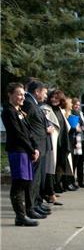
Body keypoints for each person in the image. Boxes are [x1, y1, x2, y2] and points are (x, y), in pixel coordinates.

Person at [2, 82, 41, 226]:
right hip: (18, 151)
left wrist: (35, 148)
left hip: (26, 151)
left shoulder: (19, 111)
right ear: (10, 95)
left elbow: (29, 132)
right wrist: (31, 150)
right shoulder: (8, 111)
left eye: (23, 94)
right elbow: (18, 134)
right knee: (19, 183)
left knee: (25, 182)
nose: (22, 97)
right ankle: (20, 216)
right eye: (19, 94)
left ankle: (23, 213)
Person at [21, 80, 53, 216]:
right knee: (33, 179)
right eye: (44, 93)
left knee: (39, 178)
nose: (45, 96)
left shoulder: (34, 103)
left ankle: (37, 203)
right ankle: (31, 206)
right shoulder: (28, 103)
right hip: (36, 146)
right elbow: (27, 127)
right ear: (37, 91)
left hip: (41, 145)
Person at [68, 98, 84, 188]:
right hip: (75, 139)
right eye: (75, 104)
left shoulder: (80, 113)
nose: (77, 106)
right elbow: (72, 127)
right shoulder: (70, 113)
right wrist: (80, 128)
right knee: (75, 162)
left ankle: (81, 181)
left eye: (78, 104)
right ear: (72, 105)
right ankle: (72, 181)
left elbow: (83, 125)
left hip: (83, 139)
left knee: (81, 162)